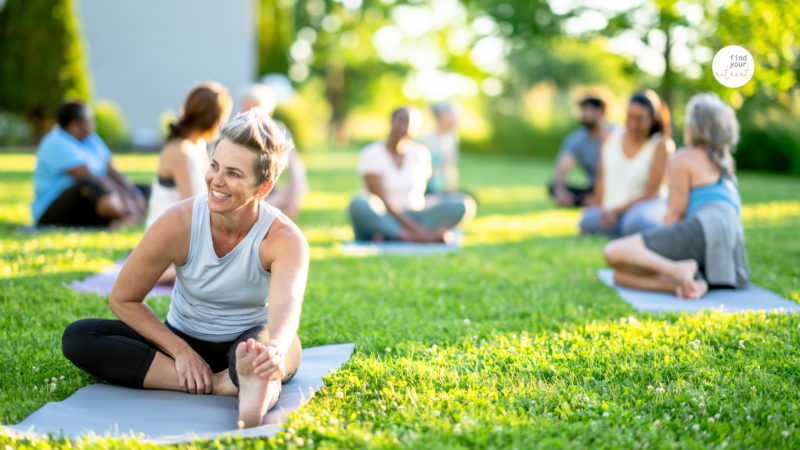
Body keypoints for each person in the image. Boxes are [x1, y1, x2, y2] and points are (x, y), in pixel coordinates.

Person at [61, 108, 308, 429]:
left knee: (265, 355)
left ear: (263, 187)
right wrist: (180, 352)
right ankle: (227, 386)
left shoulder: (285, 238)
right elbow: (123, 298)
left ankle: (253, 380)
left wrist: (274, 348)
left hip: (248, 341)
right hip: (183, 337)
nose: (216, 180)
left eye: (234, 174)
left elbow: (285, 308)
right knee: (81, 336)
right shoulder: (178, 223)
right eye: (215, 166)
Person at [603, 93, 750, 299]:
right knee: (621, 275)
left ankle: (677, 271)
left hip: (704, 227)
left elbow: (674, 214)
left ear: (692, 128)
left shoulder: (684, 158)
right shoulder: (725, 164)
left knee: (613, 252)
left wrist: (659, 252)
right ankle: (690, 283)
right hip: (730, 243)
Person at [348, 107, 475, 243]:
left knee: (463, 204)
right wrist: (419, 233)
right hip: (382, 214)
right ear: (391, 122)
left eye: (411, 124)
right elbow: (382, 200)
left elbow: (425, 192)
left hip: (414, 214)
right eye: (401, 121)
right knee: (358, 204)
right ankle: (410, 237)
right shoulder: (371, 153)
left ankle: (390, 236)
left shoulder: (420, 153)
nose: (405, 128)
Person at [32, 102, 148, 228]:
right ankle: (128, 215)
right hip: (52, 209)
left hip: (93, 201)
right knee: (89, 186)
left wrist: (133, 193)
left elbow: (111, 170)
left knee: (145, 189)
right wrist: (126, 199)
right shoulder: (55, 142)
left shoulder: (90, 138)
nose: (94, 126)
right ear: (74, 126)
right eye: (90, 121)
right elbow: (91, 177)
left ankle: (126, 218)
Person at [579, 91, 674, 238]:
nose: (632, 124)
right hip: (611, 210)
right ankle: (624, 230)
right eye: (629, 117)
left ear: (652, 120)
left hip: (643, 209)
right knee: (587, 221)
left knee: (636, 222)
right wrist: (602, 209)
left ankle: (627, 229)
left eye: (639, 119)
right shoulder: (608, 135)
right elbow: (601, 177)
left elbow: (651, 193)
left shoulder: (661, 145)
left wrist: (616, 211)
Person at [145, 82, 233, 229]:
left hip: (189, 227)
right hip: (168, 233)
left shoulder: (199, 145)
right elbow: (193, 206)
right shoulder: (178, 151)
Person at [240, 84, 307, 219]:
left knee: (297, 187)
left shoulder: (278, 131)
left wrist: (293, 199)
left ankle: (258, 212)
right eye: (246, 108)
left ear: (268, 112)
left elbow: (296, 169)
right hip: (242, 188)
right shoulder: (236, 130)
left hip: (267, 191)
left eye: (254, 109)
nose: (249, 114)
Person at [549, 97, 607, 208]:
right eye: (582, 110)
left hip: (613, 187)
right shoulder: (576, 139)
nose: (584, 114)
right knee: (553, 187)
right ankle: (586, 200)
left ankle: (598, 200)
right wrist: (560, 191)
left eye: (588, 110)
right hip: (591, 188)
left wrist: (601, 195)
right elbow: (562, 168)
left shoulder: (616, 135)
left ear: (600, 111)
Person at [419, 102, 459, 194]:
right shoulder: (426, 140)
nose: (456, 120)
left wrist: (451, 188)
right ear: (441, 116)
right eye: (452, 116)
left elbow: (451, 167)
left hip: (444, 190)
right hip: (428, 190)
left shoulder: (451, 139)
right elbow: (420, 174)